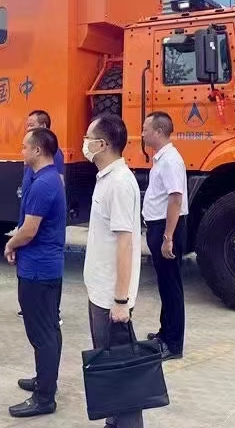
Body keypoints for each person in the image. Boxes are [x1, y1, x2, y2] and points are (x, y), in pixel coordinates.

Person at [82, 113, 144, 428]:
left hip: (111, 297)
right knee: (109, 364)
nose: (85, 143)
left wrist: (120, 300)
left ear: (102, 144)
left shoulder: (119, 183)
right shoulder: (106, 178)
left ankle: (128, 422)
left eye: (88, 138)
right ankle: (114, 420)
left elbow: (126, 244)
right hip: (101, 290)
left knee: (120, 368)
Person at [4, 127, 66, 417]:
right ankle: (45, 380)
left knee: (42, 333)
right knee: (49, 328)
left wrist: (10, 244)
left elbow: (29, 230)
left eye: (24, 147)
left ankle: (44, 397)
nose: (22, 152)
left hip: (39, 270)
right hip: (43, 266)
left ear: (38, 150)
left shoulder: (43, 184)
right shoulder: (49, 179)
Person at [141, 112, 187, 361]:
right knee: (165, 284)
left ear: (158, 132)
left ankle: (174, 344)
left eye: (146, 129)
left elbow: (175, 199)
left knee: (172, 287)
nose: (142, 133)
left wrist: (168, 236)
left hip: (167, 228)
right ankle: (164, 333)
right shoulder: (162, 159)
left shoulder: (170, 160)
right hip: (159, 226)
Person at [18, 110, 65, 324]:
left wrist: (11, 243)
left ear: (44, 126)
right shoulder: (33, 162)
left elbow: (58, 184)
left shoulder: (51, 161)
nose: (27, 128)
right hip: (30, 211)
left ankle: (53, 311)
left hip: (42, 251)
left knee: (44, 327)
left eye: (31, 125)